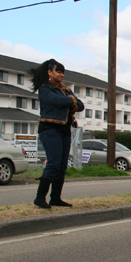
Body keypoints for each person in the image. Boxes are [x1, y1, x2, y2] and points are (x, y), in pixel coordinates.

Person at [31, 59, 85, 209]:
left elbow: (80, 105)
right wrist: (70, 100)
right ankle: (40, 198)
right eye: (58, 71)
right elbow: (57, 101)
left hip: (65, 130)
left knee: (62, 166)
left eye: (63, 72)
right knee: (53, 162)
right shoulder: (45, 88)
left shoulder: (66, 90)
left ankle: (55, 198)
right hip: (50, 129)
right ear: (49, 72)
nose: (61, 75)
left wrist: (69, 100)